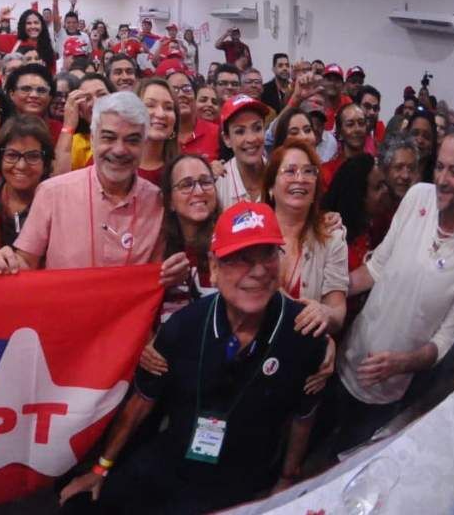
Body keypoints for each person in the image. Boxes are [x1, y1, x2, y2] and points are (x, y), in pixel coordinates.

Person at [59, 201, 327, 513]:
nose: (257, 271)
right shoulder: (184, 326)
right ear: (214, 267)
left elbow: (303, 417)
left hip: (243, 475)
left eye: (267, 255)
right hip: (176, 454)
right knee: (84, 504)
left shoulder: (304, 332)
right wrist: (100, 468)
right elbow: (140, 404)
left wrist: (286, 479)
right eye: (240, 259)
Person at [323, 127, 454, 455]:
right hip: (347, 361)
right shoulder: (416, 198)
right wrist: (327, 293)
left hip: (387, 391)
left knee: (343, 465)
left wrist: (403, 363)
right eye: (439, 166)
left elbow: (445, 338)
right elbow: (377, 267)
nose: (442, 179)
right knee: (311, 449)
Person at [0, 92, 187, 284]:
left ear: (144, 144)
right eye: (108, 137)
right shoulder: (52, 193)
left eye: (132, 140)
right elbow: (26, 263)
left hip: (129, 320)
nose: (119, 150)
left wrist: (172, 275)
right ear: (92, 139)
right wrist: (5, 261)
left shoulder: (157, 202)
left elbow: (155, 275)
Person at [264, 139, 348, 335]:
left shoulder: (332, 236)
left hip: (302, 347)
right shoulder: (252, 229)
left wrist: (326, 313)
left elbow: (338, 313)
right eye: (290, 171)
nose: (300, 178)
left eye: (309, 171)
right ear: (270, 187)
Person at [322, 154, 390, 320]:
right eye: (378, 187)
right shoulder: (331, 236)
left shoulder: (367, 230)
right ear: (359, 195)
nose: (386, 191)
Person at [156, 154, 220, 321]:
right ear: (169, 201)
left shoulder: (233, 244)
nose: (198, 191)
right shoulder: (155, 251)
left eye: (206, 182)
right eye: (186, 185)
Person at [0, 116, 53, 246]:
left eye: (33, 156)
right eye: (12, 155)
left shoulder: (58, 202)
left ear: (45, 162)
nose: (21, 166)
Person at [53, 73, 115, 174]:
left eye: (102, 95)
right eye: (87, 98)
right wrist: (68, 125)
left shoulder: (133, 133)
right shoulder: (78, 143)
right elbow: (58, 180)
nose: (96, 102)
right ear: (80, 112)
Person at [215, 94, 269, 209]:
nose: (251, 139)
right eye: (240, 131)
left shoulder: (279, 176)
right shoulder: (218, 185)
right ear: (227, 139)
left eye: (257, 128)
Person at [161, 63, 218, 162]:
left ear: (195, 96)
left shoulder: (216, 133)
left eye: (186, 88)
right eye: (174, 90)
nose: (181, 94)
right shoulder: (160, 134)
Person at [0, 8, 57, 74]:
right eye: (29, 23)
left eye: (36, 23)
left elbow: (52, 76)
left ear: (42, 25)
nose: (33, 26)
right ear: (23, 26)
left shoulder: (48, 48)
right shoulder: (14, 41)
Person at [136, 79, 180, 185]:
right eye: (150, 105)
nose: (161, 114)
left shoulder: (184, 169)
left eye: (168, 108)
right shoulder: (108, 162)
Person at [321, 103, 368, 187]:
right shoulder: (326, 172)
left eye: (361, 123)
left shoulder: (375, 170)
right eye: (350, 124)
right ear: (340, 133)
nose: (357, 129)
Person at [4, 63, 55, 133]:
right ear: (12, 94)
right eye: (26, 89)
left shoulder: (61, 130)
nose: (34, 95)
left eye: (41, 90)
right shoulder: (0, 127)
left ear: (50, 97)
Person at [378, 132, 421, 212]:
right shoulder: (375, 211)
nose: (406, 176)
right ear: (384, 170)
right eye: (398, 167)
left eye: (411, 168)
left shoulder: (421, 208)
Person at [318, 64, 352, 131]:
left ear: (343, 85)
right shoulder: (314, 102)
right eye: (329, 79)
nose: (332, 83)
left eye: (337, 80)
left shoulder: (348, 104)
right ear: (322, 82)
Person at [406, 110, 438, 183]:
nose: (420, 140)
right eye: (415, 134)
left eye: (426, 136)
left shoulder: (437, 178)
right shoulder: (393, 170)